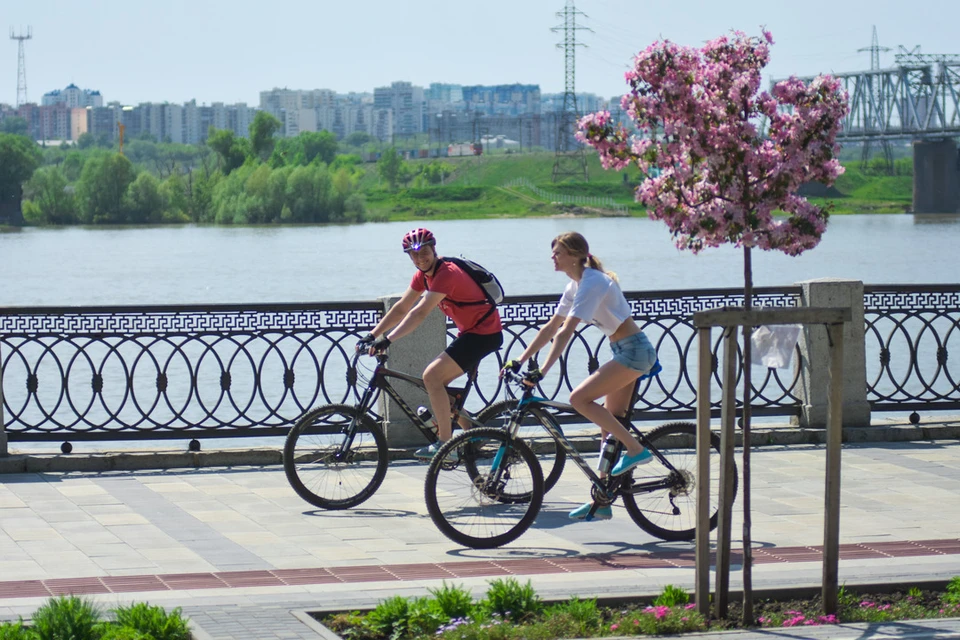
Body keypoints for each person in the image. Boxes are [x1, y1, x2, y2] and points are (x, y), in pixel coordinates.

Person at [502, 231, 658, 521]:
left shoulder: (593, 282)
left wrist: (541, 371)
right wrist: (520, 359)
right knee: (608, 429)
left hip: (634, 352)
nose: (552, 257)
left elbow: (567, 331)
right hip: (624, 350)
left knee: (579, 399)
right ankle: (603, 501)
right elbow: (551, 327)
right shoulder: (574, 285)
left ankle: (636, 449)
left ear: (575, 255)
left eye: (558, 252)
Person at [357, 227, 504, 459]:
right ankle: (472, 430)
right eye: (413, 255)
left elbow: (419, 313)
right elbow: (401, 307)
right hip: (470, 333)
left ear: (434, 249)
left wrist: (388, 340)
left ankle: (446, 445)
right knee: (436, 383)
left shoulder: (447, 273)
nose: (419, 258)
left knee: (432, 377)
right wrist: (372, 334)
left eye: (423, 252)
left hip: (484, 334)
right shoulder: (423, 275)